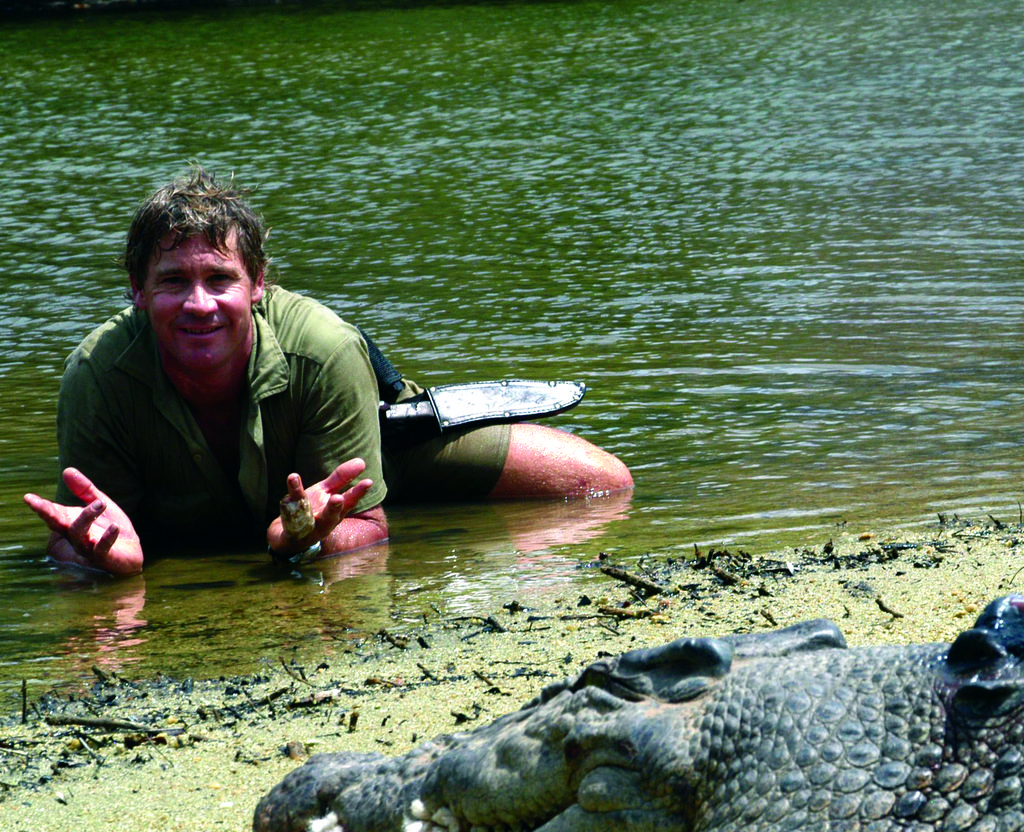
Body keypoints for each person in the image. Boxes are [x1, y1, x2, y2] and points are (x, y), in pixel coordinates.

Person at [24, 167, 633, 578]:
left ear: (259, 284)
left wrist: (308, 540)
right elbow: (81, 531)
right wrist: (101, 566)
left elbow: (366, 526)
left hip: (353, 462)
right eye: (173, 282)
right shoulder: (97, 373)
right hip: (241, 504)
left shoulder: (325, 348)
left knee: (599, 482)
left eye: (220, 279)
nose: (199, 304)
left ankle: (406, 472)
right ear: (136, 291)